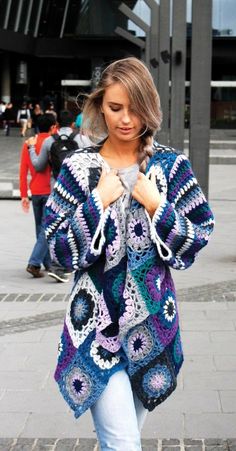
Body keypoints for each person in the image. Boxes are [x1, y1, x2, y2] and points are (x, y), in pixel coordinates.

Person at [43, 57, 214, 450]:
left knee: (118, 442)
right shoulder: (79, 168)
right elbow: (56, 250)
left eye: (135, 108)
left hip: (151, 331)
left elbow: (200, 234)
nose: (125, 119)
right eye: (115, 107)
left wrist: (158, 207)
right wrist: (96, 203)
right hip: (93, 330)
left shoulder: (171, 167)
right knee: (123, 444)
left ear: (149, 107)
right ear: (100, 105)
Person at [27, 109, 91, 282]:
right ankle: (60, 265)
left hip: (57, 189)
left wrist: (32, 148)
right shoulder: (81, 139)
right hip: (77, 189)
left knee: (55, 226)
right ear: (72, 124)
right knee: (74, 226)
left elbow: (39, 166)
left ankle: (57, 265)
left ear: (57, 125)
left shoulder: (49, 140)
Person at [20, 113, 56, 278]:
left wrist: (23, 195)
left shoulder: (29, 144)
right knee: (46, 229)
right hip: (49, 191)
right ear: (52, 127)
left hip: (34, 191)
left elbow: (23, 171)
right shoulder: (52, 143)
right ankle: (35, 262)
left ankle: (47, 264)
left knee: (40, 229)